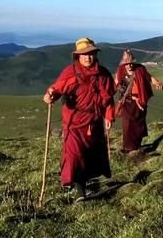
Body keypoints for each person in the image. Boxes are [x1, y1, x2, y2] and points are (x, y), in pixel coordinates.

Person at [43, 37, 115, 201]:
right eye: (84, 55)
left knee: (90, 155)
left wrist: (109, 115)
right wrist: (49, 96)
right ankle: (80, 192)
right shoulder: (70, 72)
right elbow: (55, 89)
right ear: (78, 56)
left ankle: (82, 181)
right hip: (74, 121)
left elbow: (108, 98)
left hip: (94, 121)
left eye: (91, 54)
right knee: (75, 155)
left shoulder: (103, 75)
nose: (88, 57)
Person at [114, 48, 163, 152]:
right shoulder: (120, 71)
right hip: (127, 103)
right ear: (124, 64)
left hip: (140, 102)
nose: (130, 65)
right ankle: (127, 148)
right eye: (127, 64)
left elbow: (149, 78)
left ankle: (137, 147)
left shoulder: (140, 69)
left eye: (131, 63)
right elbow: (116, 83)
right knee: (127, 126)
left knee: (138, 125)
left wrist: (157, 82)